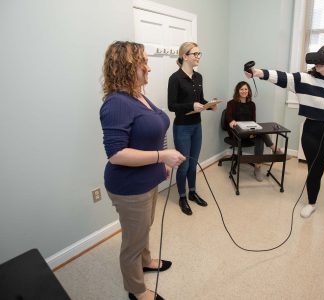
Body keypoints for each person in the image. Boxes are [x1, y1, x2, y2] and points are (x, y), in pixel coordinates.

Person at [245, 43, 324, 228]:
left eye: (322, 60)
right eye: (316, 60)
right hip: (312, 133)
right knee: (314, 171)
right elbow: (281, 77)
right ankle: (311, 204)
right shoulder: (305, 79)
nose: (317, 64)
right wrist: (257, 72)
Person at [100, 41, 185, 300]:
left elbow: (157, 130)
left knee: (144, 228)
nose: (149, 67)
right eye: (143, 62)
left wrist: (162, 163)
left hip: (150, 179)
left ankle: (146, 261)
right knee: (133, 241)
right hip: (129, 186)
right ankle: (136, 289)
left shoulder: (139, 95)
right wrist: (162, 156)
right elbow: (116, 155)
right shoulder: (116, 104)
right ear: (126, 67)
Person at [168, 42, 217, 216]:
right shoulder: (175, 78)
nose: (198, 57)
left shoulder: (199, 77)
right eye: (195, 54)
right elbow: (171, 105)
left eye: (199, 54)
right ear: (184, 56)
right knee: (184, 165)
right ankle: (182, 197)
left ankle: (192, 192)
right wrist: (191, 105)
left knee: (193, 163)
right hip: (182, 128)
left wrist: (209, 105)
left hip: (197, 126)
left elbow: (200, 100)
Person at [226, 81, 291, 182]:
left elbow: (253, 121)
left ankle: (258, 167)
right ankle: (275, 150)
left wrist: (253, 131)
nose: (244, 91)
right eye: (241, 89)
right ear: (237, 91)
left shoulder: (252, 104)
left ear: (249, 91)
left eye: (246, 89)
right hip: (237, 132)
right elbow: (229, 117)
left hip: (249, 130)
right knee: (261, 135)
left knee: (260, 136)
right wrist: (231, 121)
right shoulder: (231, 103)